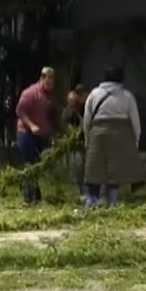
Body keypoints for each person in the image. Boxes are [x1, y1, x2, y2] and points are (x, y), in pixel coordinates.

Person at [82, 69, 142, 207]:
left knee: (94, 169)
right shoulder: (127, 96)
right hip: (120, 135)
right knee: (114, 170)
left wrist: (87, 137)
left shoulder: (94, 94)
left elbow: (87, 119)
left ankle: (92, 201)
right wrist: (136, 139)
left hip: (98, 133)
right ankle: (113, 202)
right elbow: (135, 120)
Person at [15, 67, 57, 203]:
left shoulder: (49, 95)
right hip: (26, 134)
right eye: (48, 80)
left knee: (40, 165)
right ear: (42, 78)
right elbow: (19, 110)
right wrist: (31, 125)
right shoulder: (30, 93)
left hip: (42, 135)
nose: (51, 84)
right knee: (30, 166)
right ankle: (28, 198)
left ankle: (36, 196)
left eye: (52, 81)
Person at [62, 84, 89, 204]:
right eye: (71, 101)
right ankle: (83, 193)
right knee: (78, 167)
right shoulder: (68, 112)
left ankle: (92, 193)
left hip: (89, 142)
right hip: (77, 144)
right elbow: (65, 125)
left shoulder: (86, 109)